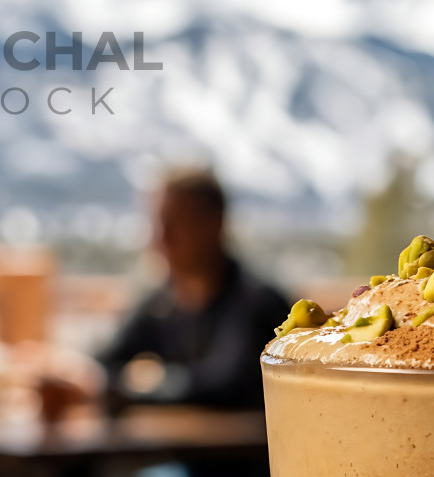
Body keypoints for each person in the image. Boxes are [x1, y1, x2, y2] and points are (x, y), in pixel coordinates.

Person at [94, 169, 289, 409]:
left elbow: (226, 388)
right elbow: (104, 364)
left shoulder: (258, 306)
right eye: (158, 224)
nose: (162, 238)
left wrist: (147, 383)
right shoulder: (160, 304)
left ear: (214, 223)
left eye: (174, 224)